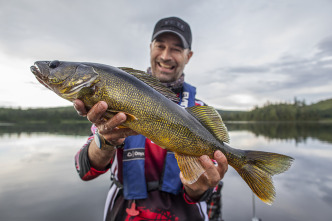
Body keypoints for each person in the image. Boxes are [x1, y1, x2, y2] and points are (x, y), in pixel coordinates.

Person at [74, 17, 228, 221]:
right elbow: (85, 171)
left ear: (188, 56)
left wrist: (197, 189)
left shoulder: (200, 111)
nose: (165, 56)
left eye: (176, 49)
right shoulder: (116, 96)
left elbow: (211, 189)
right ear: (150, 48)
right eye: (160, 45)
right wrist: (104, 140)